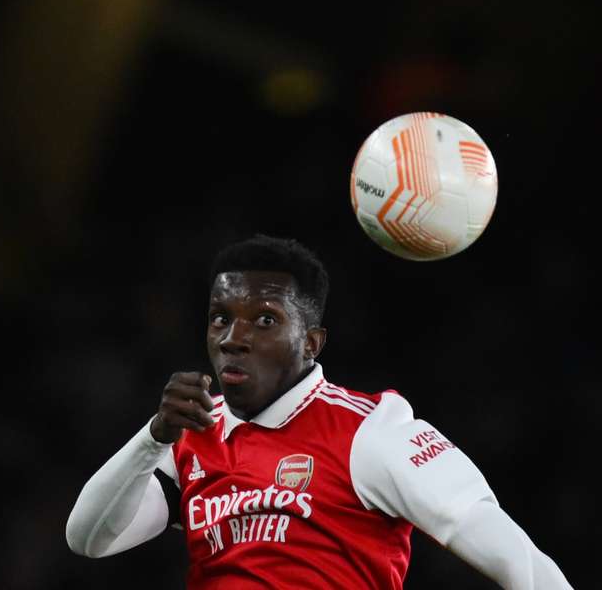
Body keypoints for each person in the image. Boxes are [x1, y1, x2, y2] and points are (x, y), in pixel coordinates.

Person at [66, 234, 574, 589]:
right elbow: (87, 539)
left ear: (311, 342)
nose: (233, 339)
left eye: (264, 320)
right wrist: (153, 436)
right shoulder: (191, 435)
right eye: (221, 318)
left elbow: (517, 560)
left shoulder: (372, 432)